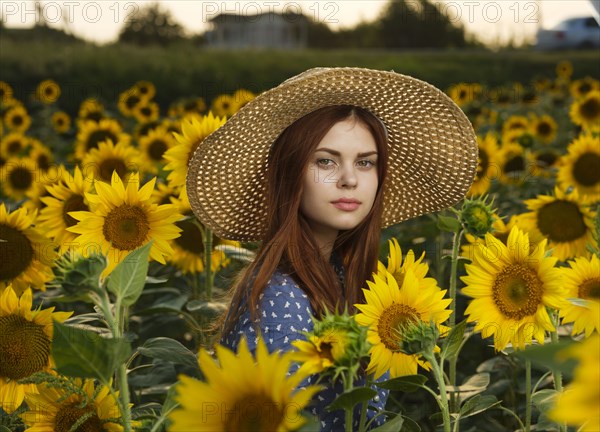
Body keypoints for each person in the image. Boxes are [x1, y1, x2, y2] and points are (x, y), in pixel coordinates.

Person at [186, 67, 478, 431]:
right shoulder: (281, 300)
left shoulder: (343, 276)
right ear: (290, 172)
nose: (349, 179)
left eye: (365, 162)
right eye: (325, 160)